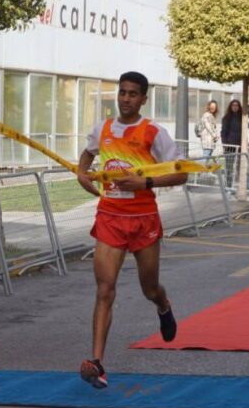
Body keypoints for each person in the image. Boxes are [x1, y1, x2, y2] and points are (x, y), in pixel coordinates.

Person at [75, 71, 187, 388]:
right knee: (104, 290)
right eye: (122, 92)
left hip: (143, 218)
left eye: (132, 94)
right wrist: (82, 174)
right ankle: (96, 362)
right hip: (110, 216)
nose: (126, 98)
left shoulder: (153, 132)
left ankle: (163, 306)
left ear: (143, 98)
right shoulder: (104, 128)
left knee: (149, 288)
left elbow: (181, 174)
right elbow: (87, 154)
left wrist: (144, 182)